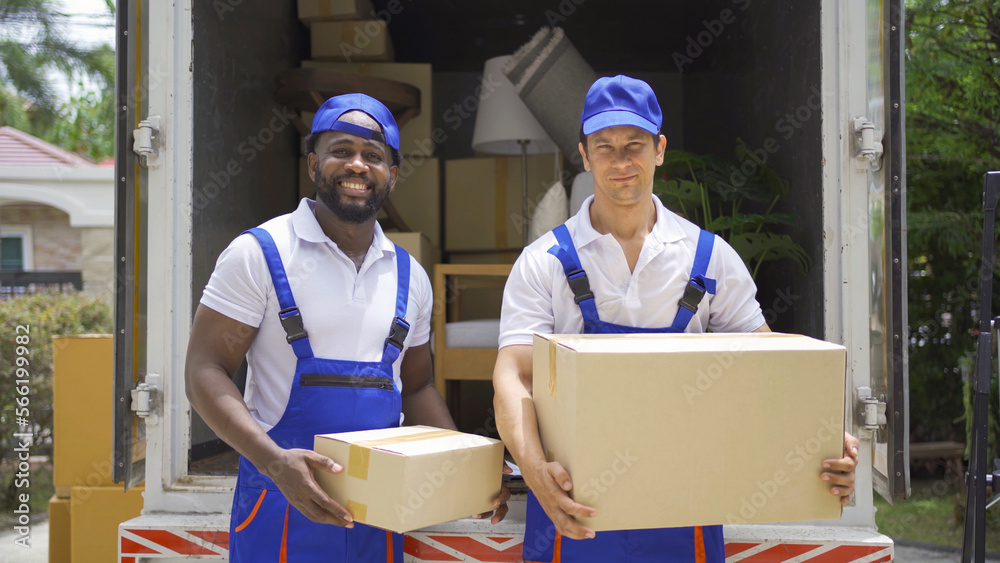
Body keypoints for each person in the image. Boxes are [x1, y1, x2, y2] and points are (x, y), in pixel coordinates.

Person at [492, 75, 859, 562]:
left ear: (659, 149)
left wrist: (825, 442)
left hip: (685, 520)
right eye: (604, 147)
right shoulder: (544, 262)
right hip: (572, 513)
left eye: (635, 145)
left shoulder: (709, 258)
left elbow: (769, 373)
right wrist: (536, 472)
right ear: (584, 155)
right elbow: (513, 378)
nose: (621, 162)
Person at [185, 93, 509, 562]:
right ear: (314, 164)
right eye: (341, 150)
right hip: (279, 507)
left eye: (372, 155)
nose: (357, 165)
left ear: (391, 175)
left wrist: (467, 471)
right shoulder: (259, 253)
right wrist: (274, 462)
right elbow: (204, 370)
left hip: (377, 516)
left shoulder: (410, 276)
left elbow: (417, 388)